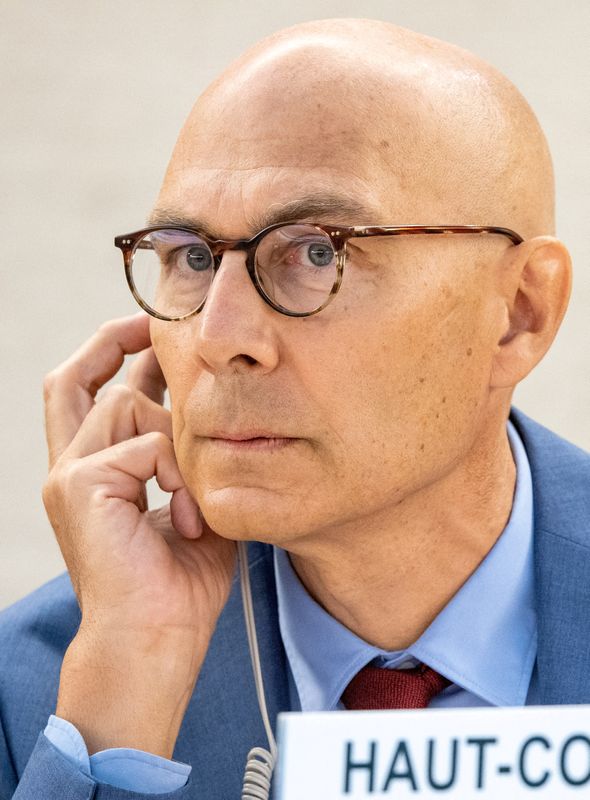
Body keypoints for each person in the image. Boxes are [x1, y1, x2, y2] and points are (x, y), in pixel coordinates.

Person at [1, 17, 588, 800]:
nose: (220, 337)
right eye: (193, 258)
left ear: (519, 311)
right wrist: (126, 698)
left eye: (318, 251)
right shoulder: (43, 699)